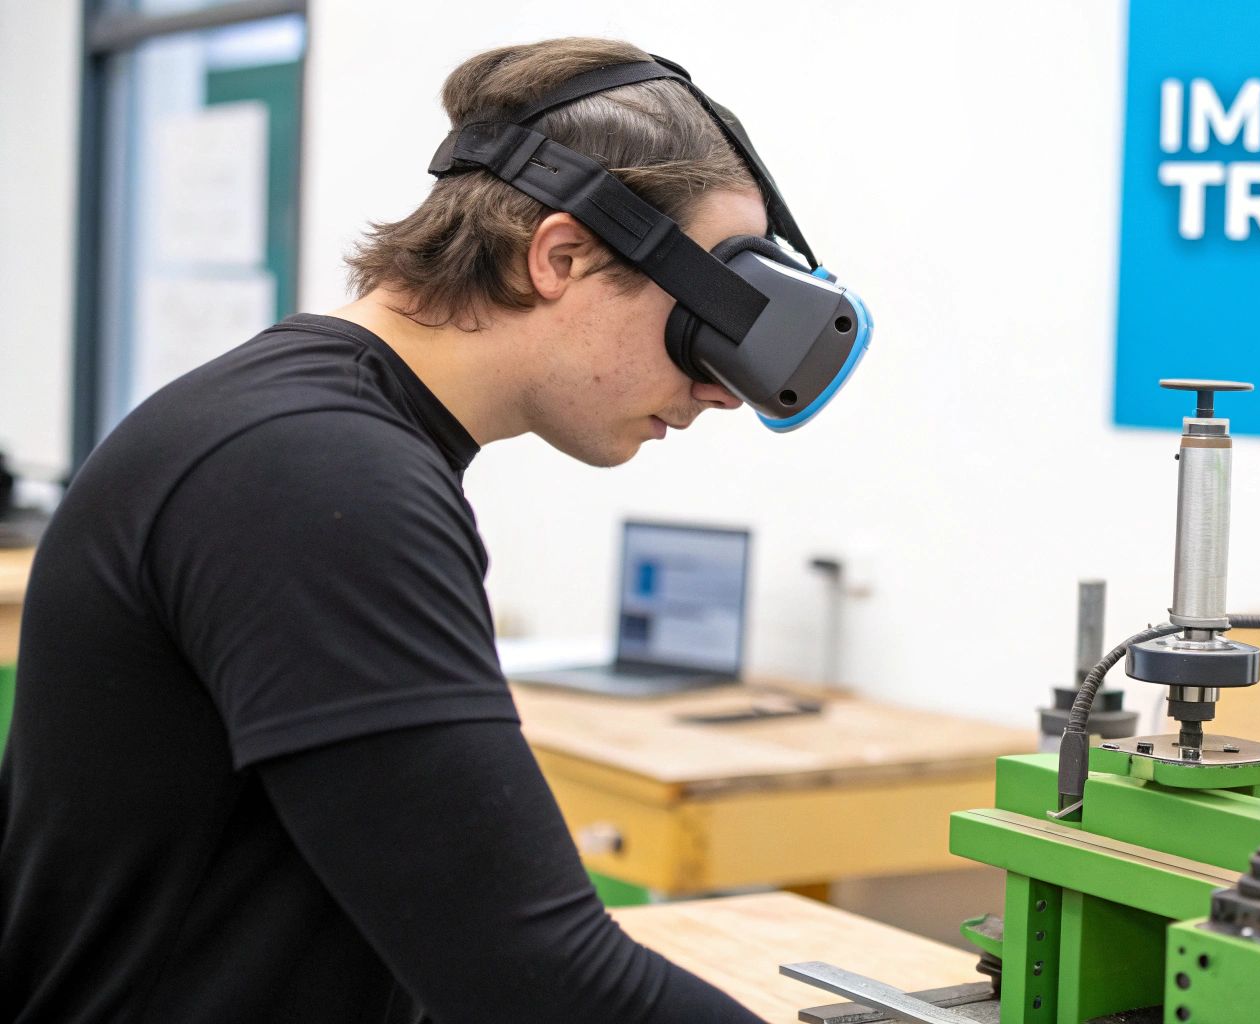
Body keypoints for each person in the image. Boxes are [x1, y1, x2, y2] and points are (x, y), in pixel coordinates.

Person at [0, 37, 791, 1022]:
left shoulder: (316, 432)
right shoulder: (309, 472)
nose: (721, 387)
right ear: (562, 255)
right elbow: (536, 977)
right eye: (705, 321)